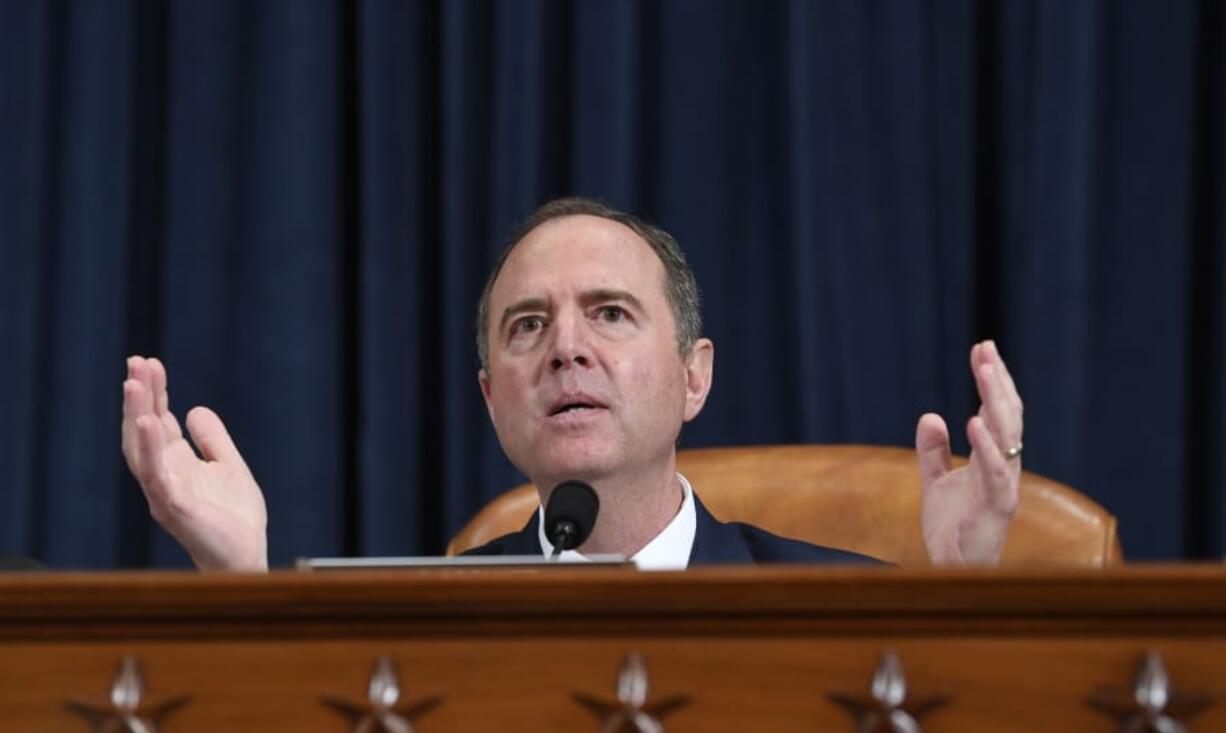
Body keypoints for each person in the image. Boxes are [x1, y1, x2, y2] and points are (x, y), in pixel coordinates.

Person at [122, 198, 1024, 571]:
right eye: (528, 326)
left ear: (694, 377)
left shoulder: (841, 606)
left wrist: (957, 601)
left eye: (611, 313)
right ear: (489, 397)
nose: (566, 350)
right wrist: (234, 576)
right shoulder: (424, 621)